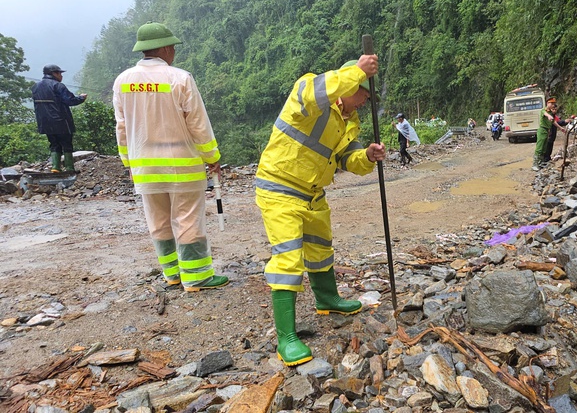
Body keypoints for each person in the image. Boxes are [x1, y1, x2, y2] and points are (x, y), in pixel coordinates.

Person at [254, 54, 385, 366]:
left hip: (313, 193)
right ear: (348, 83)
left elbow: (346, 159)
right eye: (363, 93)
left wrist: (367, 155)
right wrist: (357, 71)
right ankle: (286, 337)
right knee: (288, 258)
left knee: (321, 248)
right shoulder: (309, 92)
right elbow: (320, 90)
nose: (365, 101)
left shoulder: (349, 122)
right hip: (279, 187)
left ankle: (327, 298)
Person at [112, 22, 228, 292]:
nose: (173, 51)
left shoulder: (123, 81)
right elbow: (198, 124)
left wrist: (128, 162)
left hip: (144, 166)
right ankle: (197, 276)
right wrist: (212, 156)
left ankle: (172, 274)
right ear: (164, 48)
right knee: (188, 219)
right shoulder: (179, 78)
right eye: (172, 46)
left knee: (158, 221)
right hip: (182, 164)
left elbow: (122, 127)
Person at [31, 65, 87, 172]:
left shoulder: (35, 87)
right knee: (66, 144)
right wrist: (81, 98)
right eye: (59, 73)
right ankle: (69, 168)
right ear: (54, 74)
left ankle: (55, 167)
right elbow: (70, 100)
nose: (61, 76)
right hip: (60, 121)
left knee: (54, 144)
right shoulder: (58, 86)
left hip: (45, 122)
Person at [532, 97, 556, 171]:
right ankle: (535, 164)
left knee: (544, 148)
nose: (553, 105)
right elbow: (545, 114)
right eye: (551, 103)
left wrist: (561, 128)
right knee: (539, 147)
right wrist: (548, 116)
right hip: (542, 130)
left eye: (554, 104)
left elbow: (554, 122)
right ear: (548, 103)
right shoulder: (544, 110)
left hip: (547, 131)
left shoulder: (551, 113)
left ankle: (541, 163)